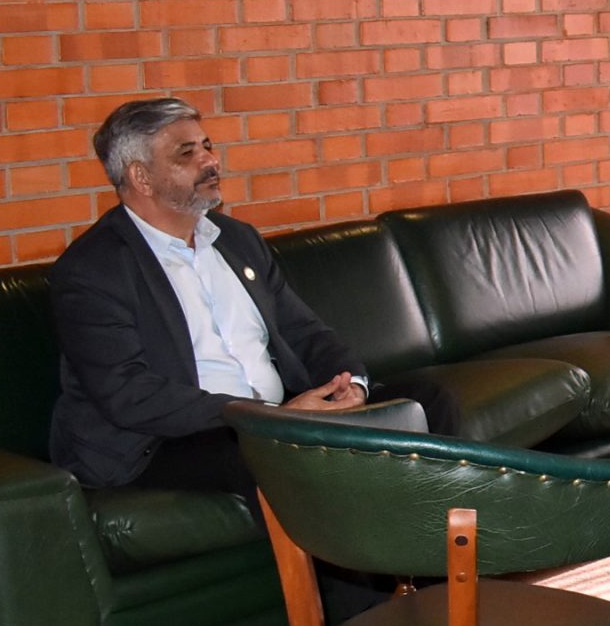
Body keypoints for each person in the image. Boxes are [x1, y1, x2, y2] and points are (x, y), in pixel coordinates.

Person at [48, 96, 454, 500]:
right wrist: (270, 418)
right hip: (172, 439)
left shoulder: (237, 240)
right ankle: (362, 565)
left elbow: (304, 330)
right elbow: (128, 393)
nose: (210, 161)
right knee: (275, 457)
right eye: (186, 153)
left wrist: (350, 386)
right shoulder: (93, 270)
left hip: (278, 417)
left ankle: (447, 556)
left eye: (207, 146)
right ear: (141, 178)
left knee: (424, 401)